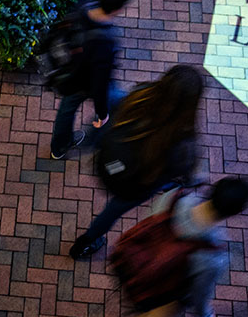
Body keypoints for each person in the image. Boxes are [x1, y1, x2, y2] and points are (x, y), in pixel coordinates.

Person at [89, 177, 248, 317]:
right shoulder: (213, 253)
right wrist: (204, 314)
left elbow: (149, 223)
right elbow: (200, 291)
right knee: (167, 310)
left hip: (130, 259)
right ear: (233, 213)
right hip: (155, 284)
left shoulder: (174, 198)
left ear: (212, 191)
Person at [69, 64, 204, 259]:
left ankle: (85, 244)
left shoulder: (140, 94)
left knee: (112, 211)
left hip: (108, 164)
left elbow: (110, 113)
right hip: (135, 185)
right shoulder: (180, 143)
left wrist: (94, 140)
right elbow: (178, 171)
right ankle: (87, 240)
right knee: (114, 210)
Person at [49, 0, 137, 160]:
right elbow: (100, 83)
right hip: (86, 81)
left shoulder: (85, 5)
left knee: (66, 109)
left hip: (70, 73)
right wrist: (101, 112)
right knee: (116, 103)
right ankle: (94, 140)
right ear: (119, 8)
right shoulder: (104, 42)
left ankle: (59, 147)